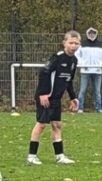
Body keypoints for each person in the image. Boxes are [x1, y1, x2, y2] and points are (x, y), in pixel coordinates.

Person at [27, 32, 82, 165]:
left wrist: (73, 97)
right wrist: (43, 93)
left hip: (57, 98)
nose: (73, 46)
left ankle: (60, 156)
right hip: (46, 97)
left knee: (57, 125)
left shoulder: (74, 61)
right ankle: (31, 156)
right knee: (42, 124)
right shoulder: (57, 58)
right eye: (71, 43)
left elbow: (69, 80)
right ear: (64, 43)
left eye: (76, 43)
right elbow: (44, 73)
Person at [77, 29, 102, 112]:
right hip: (85, 71)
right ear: (87, 34)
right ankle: (80, 108)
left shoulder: (101, 44)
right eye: (90, 33)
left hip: (97, 71)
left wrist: (101, 65)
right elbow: (77, 55)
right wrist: (82, 64)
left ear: (96, 34)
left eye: (93, 33)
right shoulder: (82, 44)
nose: (92, 35)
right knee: (83, 90)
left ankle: (98, 108)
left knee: (97, 91)